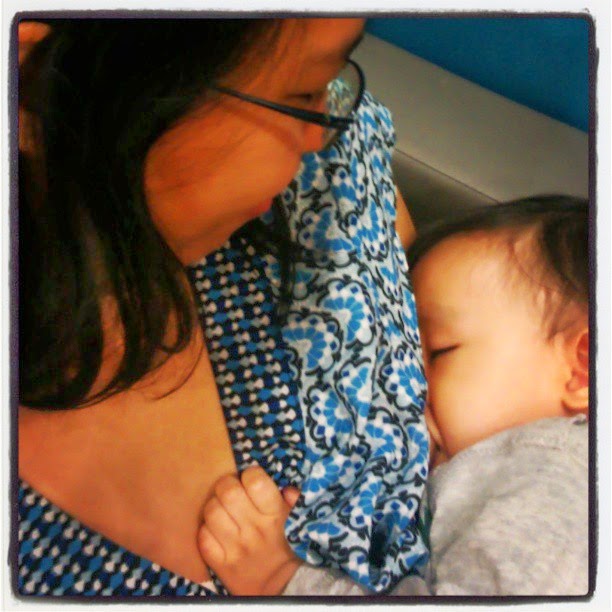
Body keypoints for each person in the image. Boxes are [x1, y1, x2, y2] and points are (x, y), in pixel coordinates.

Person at [16, 18, 429, 597]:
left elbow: (394, 244)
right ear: (32, 77)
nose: (325, 133)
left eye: (331, 79)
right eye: (304, 93)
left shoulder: (328, 169)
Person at [197, 195, 589, 596]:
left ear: (581, 369)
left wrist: (285, 580)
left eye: (441, 351)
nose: (407, 379)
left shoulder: (555, 480)